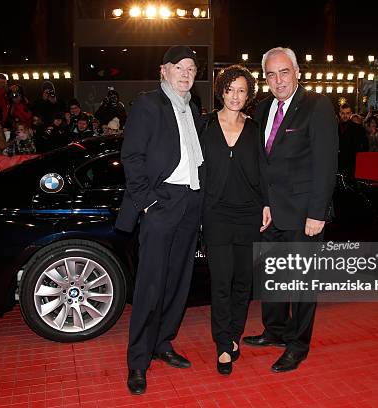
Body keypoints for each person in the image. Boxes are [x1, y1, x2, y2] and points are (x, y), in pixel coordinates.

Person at [242, 47, 338, 373]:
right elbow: (263, 163)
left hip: (303, 214)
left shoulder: (317, 105)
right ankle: (274, 331)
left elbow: (326, 163)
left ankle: (298, 345)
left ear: (297, 72)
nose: (278, 80)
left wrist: (317, 212)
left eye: (284, 72)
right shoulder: (263, 108)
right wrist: (263, 203)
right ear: (265, 78)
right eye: (271, 74)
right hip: (272, 213)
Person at [115, 45, 204, 395]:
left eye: (192, 69)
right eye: (179, 67)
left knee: (178, 282)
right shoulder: (149, 104)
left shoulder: (193, 109)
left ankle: (163, 343)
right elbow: (131, 156)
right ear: (164, 70)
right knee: (150, 284)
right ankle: (138, 361)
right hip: (162, 202)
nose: (186, 73)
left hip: (190, 202)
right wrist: (149, 203)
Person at [201, 65, 271, 375]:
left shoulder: (255, 129)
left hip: (248, 214)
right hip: (216, 214)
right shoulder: (204, 126)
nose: (235, 95)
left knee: (243, 282)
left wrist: (267, 203)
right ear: (221, 91)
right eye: (230, 89)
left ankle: (234, 335)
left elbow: (265, 170)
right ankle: (222, 344)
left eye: (242, 90)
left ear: (249, 95)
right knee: (221, 282)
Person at [337, 103, 367, 178]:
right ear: (340, 114)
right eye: (343, 113)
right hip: (337, 162)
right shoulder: (334, 127)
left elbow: (363, 146)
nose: (345, 116)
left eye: (347, 113)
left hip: (351, 163)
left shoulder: (358, 128)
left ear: (351, 113)